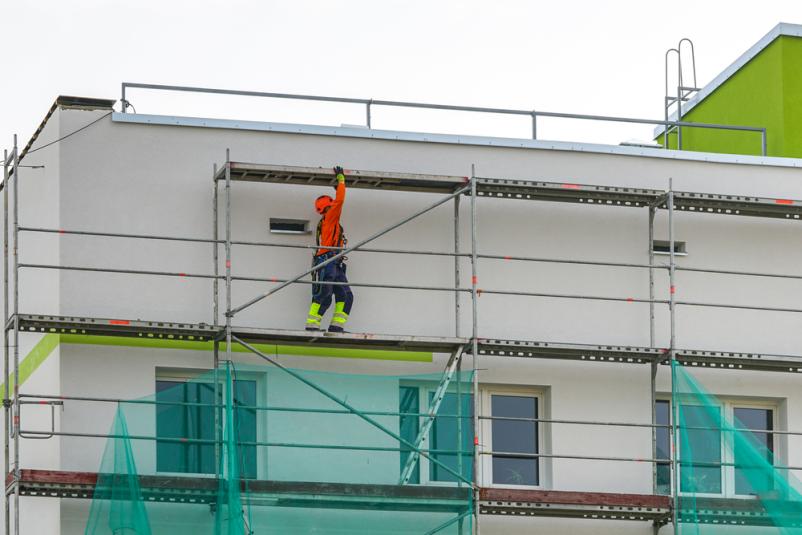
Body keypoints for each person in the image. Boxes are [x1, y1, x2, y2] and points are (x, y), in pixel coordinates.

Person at [305, 165, 354, 333]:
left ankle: (336, 327)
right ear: (328, 206)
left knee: (346, 296)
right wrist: (341, 180)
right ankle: (312, 324)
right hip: (328, 260)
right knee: (324, 294)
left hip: (334, 261)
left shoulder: (328, 221)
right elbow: (340, 200)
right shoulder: (330, 217)